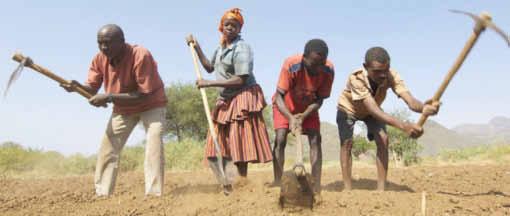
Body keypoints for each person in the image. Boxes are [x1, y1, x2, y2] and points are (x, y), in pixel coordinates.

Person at [61, 24, 167, 196]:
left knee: (154, 143)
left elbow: (143, 94)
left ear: (122, 42)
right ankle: (102, 193)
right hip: (123, 107)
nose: (104, 47)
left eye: (108, 43)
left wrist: (109, 97)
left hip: (151, 103)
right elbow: (92, 88)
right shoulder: (99, 59)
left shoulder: (140, 55)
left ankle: (154, 195)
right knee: (108, 147)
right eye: (100, 43)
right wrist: (77, 87)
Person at [186, 8, 272, 194]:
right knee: (215, 144)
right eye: (227, 25)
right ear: (221, 27)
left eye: (235, 25)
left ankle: (241, 182)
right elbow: (209, 67)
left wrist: (209, 84)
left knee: (239, 141)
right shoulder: (220, 48)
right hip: (225, 98)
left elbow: (241, 78)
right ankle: (226, 182)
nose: (230, 28)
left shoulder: (242, 48)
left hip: (242, 95)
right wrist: (196, 46)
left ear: (240, 29)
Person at [336, 46, 440, 191]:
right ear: (366, 67)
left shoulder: (392, 76)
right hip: (349, 109)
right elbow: (373, 109)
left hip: (372, 112)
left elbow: (410, 101)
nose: (383, 75)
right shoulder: (356, 78)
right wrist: (404, 126)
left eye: (386, 70)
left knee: (383, 140)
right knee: (346, 143)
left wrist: (424, 108)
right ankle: (347, 188)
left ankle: (381, 189)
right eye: (377, 71)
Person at [271, 39, 334, 195]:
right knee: (280, 139)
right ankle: (278, 182)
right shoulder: (291, 64)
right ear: (304, 57)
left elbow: (320, 99)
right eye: (314, 64)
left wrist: (304, 115)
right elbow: (279, 96)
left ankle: (315, 184)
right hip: (284, 106)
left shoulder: (328, 70)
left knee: (315, 139)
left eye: (321, 64)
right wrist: (291, 118)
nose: (318, 68)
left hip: (309, 108)